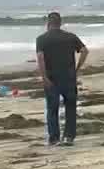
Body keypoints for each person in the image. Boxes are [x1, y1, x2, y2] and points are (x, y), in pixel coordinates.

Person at [36, 12, 88, 147]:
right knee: (70, 107)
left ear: (48, 23)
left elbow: (41, 58)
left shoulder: (42, 39)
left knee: (52, 109)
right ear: (60, 23)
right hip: (69, 78)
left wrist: (44, 77)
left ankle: (54, 138)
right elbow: (84, 51)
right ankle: (69, 137)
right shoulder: (70, 37)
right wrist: (77, 69)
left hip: (52, 78)